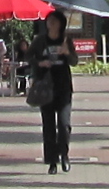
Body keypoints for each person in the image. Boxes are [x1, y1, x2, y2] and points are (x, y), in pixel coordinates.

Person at [29, 13, 75, 173]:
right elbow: (29, 57)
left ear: (61, 24)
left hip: (63, 87)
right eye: (49, 21)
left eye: (54, 21)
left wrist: (67, 52)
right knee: (48, 126)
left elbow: (74, 61)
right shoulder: (40, 41)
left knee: (64, 124)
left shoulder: (66, 40)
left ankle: (64, 154)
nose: (51, 24)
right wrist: (40, 63)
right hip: (45, 88)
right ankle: (52, 161)